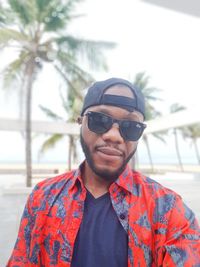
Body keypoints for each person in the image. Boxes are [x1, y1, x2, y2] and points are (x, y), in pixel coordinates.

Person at [7, 78, 200, 267]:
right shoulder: (43, 197)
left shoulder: (168, 210)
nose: (113, 136)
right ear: (80, 122)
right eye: (99, 120)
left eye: (131, 126)